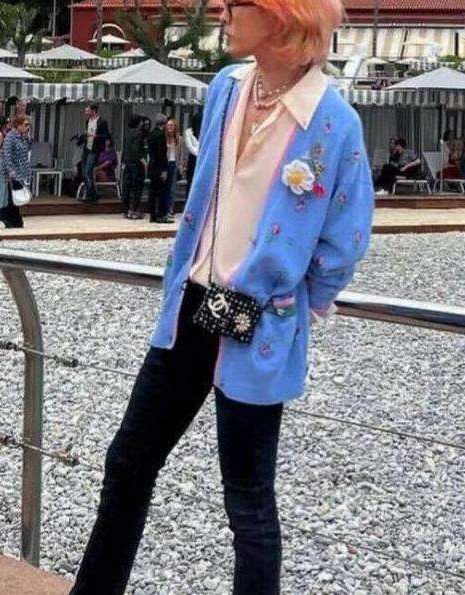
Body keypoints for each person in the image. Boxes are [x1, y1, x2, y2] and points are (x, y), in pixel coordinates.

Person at [68, 0, 374, 592]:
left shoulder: (334, 122)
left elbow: (346, 235)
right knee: (128, 462)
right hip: (192, 308)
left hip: (259, 322)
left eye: (236, 4)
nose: (221, 13)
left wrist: (293, 300)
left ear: (282, 15)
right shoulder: (227, 89)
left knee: (248, 502)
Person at [0, 115, 32, 228]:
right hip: (13, 170)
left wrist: (27, 139)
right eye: (25, 125)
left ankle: (10, 218)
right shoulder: (10, 137)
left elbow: (26, 151)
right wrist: (10, 169)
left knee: (15, 195)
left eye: (28, 125)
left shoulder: (22, 137)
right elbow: (7, 154)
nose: (27, 127)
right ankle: (8, 216)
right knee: (14, 195)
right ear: (18, 125)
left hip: (21, 170)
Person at [79, 104, 111, 203]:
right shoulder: (88, 121)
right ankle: (92, 193)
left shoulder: (102, 122)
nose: (86, 113)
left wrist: (96, 136)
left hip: (94, 149)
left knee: (88, 170)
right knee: (84, 171)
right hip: (87, 148)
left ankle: (90, 193)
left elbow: (106, 135)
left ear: (93, 111)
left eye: (88, 111)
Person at [121, 115, 147, 220]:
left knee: (126, 187)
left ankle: (125, 210)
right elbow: (136, 150)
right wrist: (144, 161)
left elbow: (125, 149)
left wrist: (123, 161)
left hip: (127, 162)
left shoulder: (127, 134)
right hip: (136, 164)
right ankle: (134, 210)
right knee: (137, 187)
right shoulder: (139, 134)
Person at [146, 114, 169, 223]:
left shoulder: (151, 134)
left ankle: (152, 214)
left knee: (152, 191)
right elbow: (161, 154)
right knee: (161, 192)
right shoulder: (161, 135)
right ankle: (160, 214)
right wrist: (164, 169)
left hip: (152, 165)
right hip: (159, 167)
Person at [164, 117, 187, 219]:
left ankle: (171, 208)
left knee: (172, 188)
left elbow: (182, 154)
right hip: (166, 164)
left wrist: (181, 166)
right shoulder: (164, 138)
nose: (170, 127)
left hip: (174, 164)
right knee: (165, 187)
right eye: (168, 125)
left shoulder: (180, 139)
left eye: (172, 125)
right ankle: (164, 208)